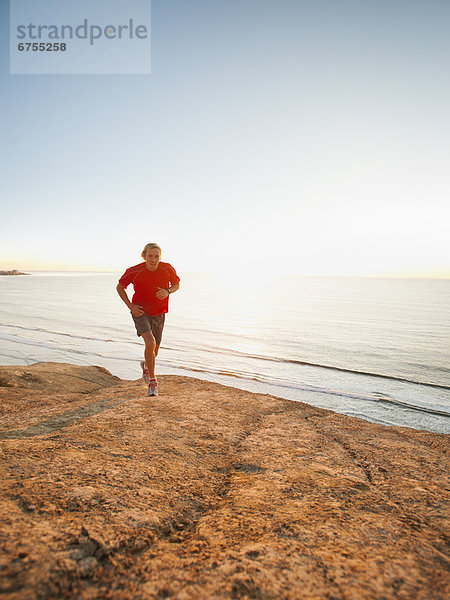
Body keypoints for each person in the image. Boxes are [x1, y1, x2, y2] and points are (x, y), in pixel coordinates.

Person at [116, 243, 180, 396]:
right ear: (144, 256)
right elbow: (120, 287)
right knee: (150, 343)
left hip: (159, 313)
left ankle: (146, 365)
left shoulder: (167, 268)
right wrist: (131, 307)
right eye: (150, 256)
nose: (153, 260)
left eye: (156, 256)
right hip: (140, 312)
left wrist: (168, 291)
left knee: (155, 349)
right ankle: (152, 383)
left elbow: (177, 284)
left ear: (160, 257)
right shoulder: (135, 270)